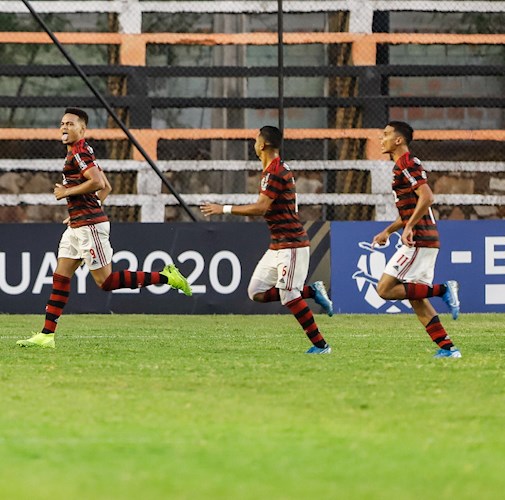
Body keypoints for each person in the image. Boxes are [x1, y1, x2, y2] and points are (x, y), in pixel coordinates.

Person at [17, 108, 192, 349]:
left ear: (82, 129)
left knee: (106, 281)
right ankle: (47, 335)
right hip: (78, 224)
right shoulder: (83, 152)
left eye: (70, 124)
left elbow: (99, 183)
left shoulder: (79, 153)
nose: (64, 127)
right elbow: (106, 187)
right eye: (62, 123)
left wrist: (67, 193)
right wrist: (81, 210)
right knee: (60, 277)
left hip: (90, 227)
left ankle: (166, 276)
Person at [200, 126, 334, 354]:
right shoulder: (274, 169)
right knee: (257, 292)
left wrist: (224, 208)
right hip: (278, 244)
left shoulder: (274, 171)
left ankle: (321, 346)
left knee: (289, 296)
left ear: (262, 145)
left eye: (255, 139)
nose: (254, 144)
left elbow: (261, 208)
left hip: (292, 243)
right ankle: (312, 291)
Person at [372, 121, 461, 358]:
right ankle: (448, 349)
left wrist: (409, 228)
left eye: (386, 135)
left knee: (385, 289)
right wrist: (389, 230)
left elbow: (427, 197)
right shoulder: (404, 165)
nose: (382, 139)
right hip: (423, 237)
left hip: (419, 239)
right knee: (416, 298)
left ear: (398, 140)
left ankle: (443, 289)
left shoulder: (406, 163)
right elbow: (412, 209)